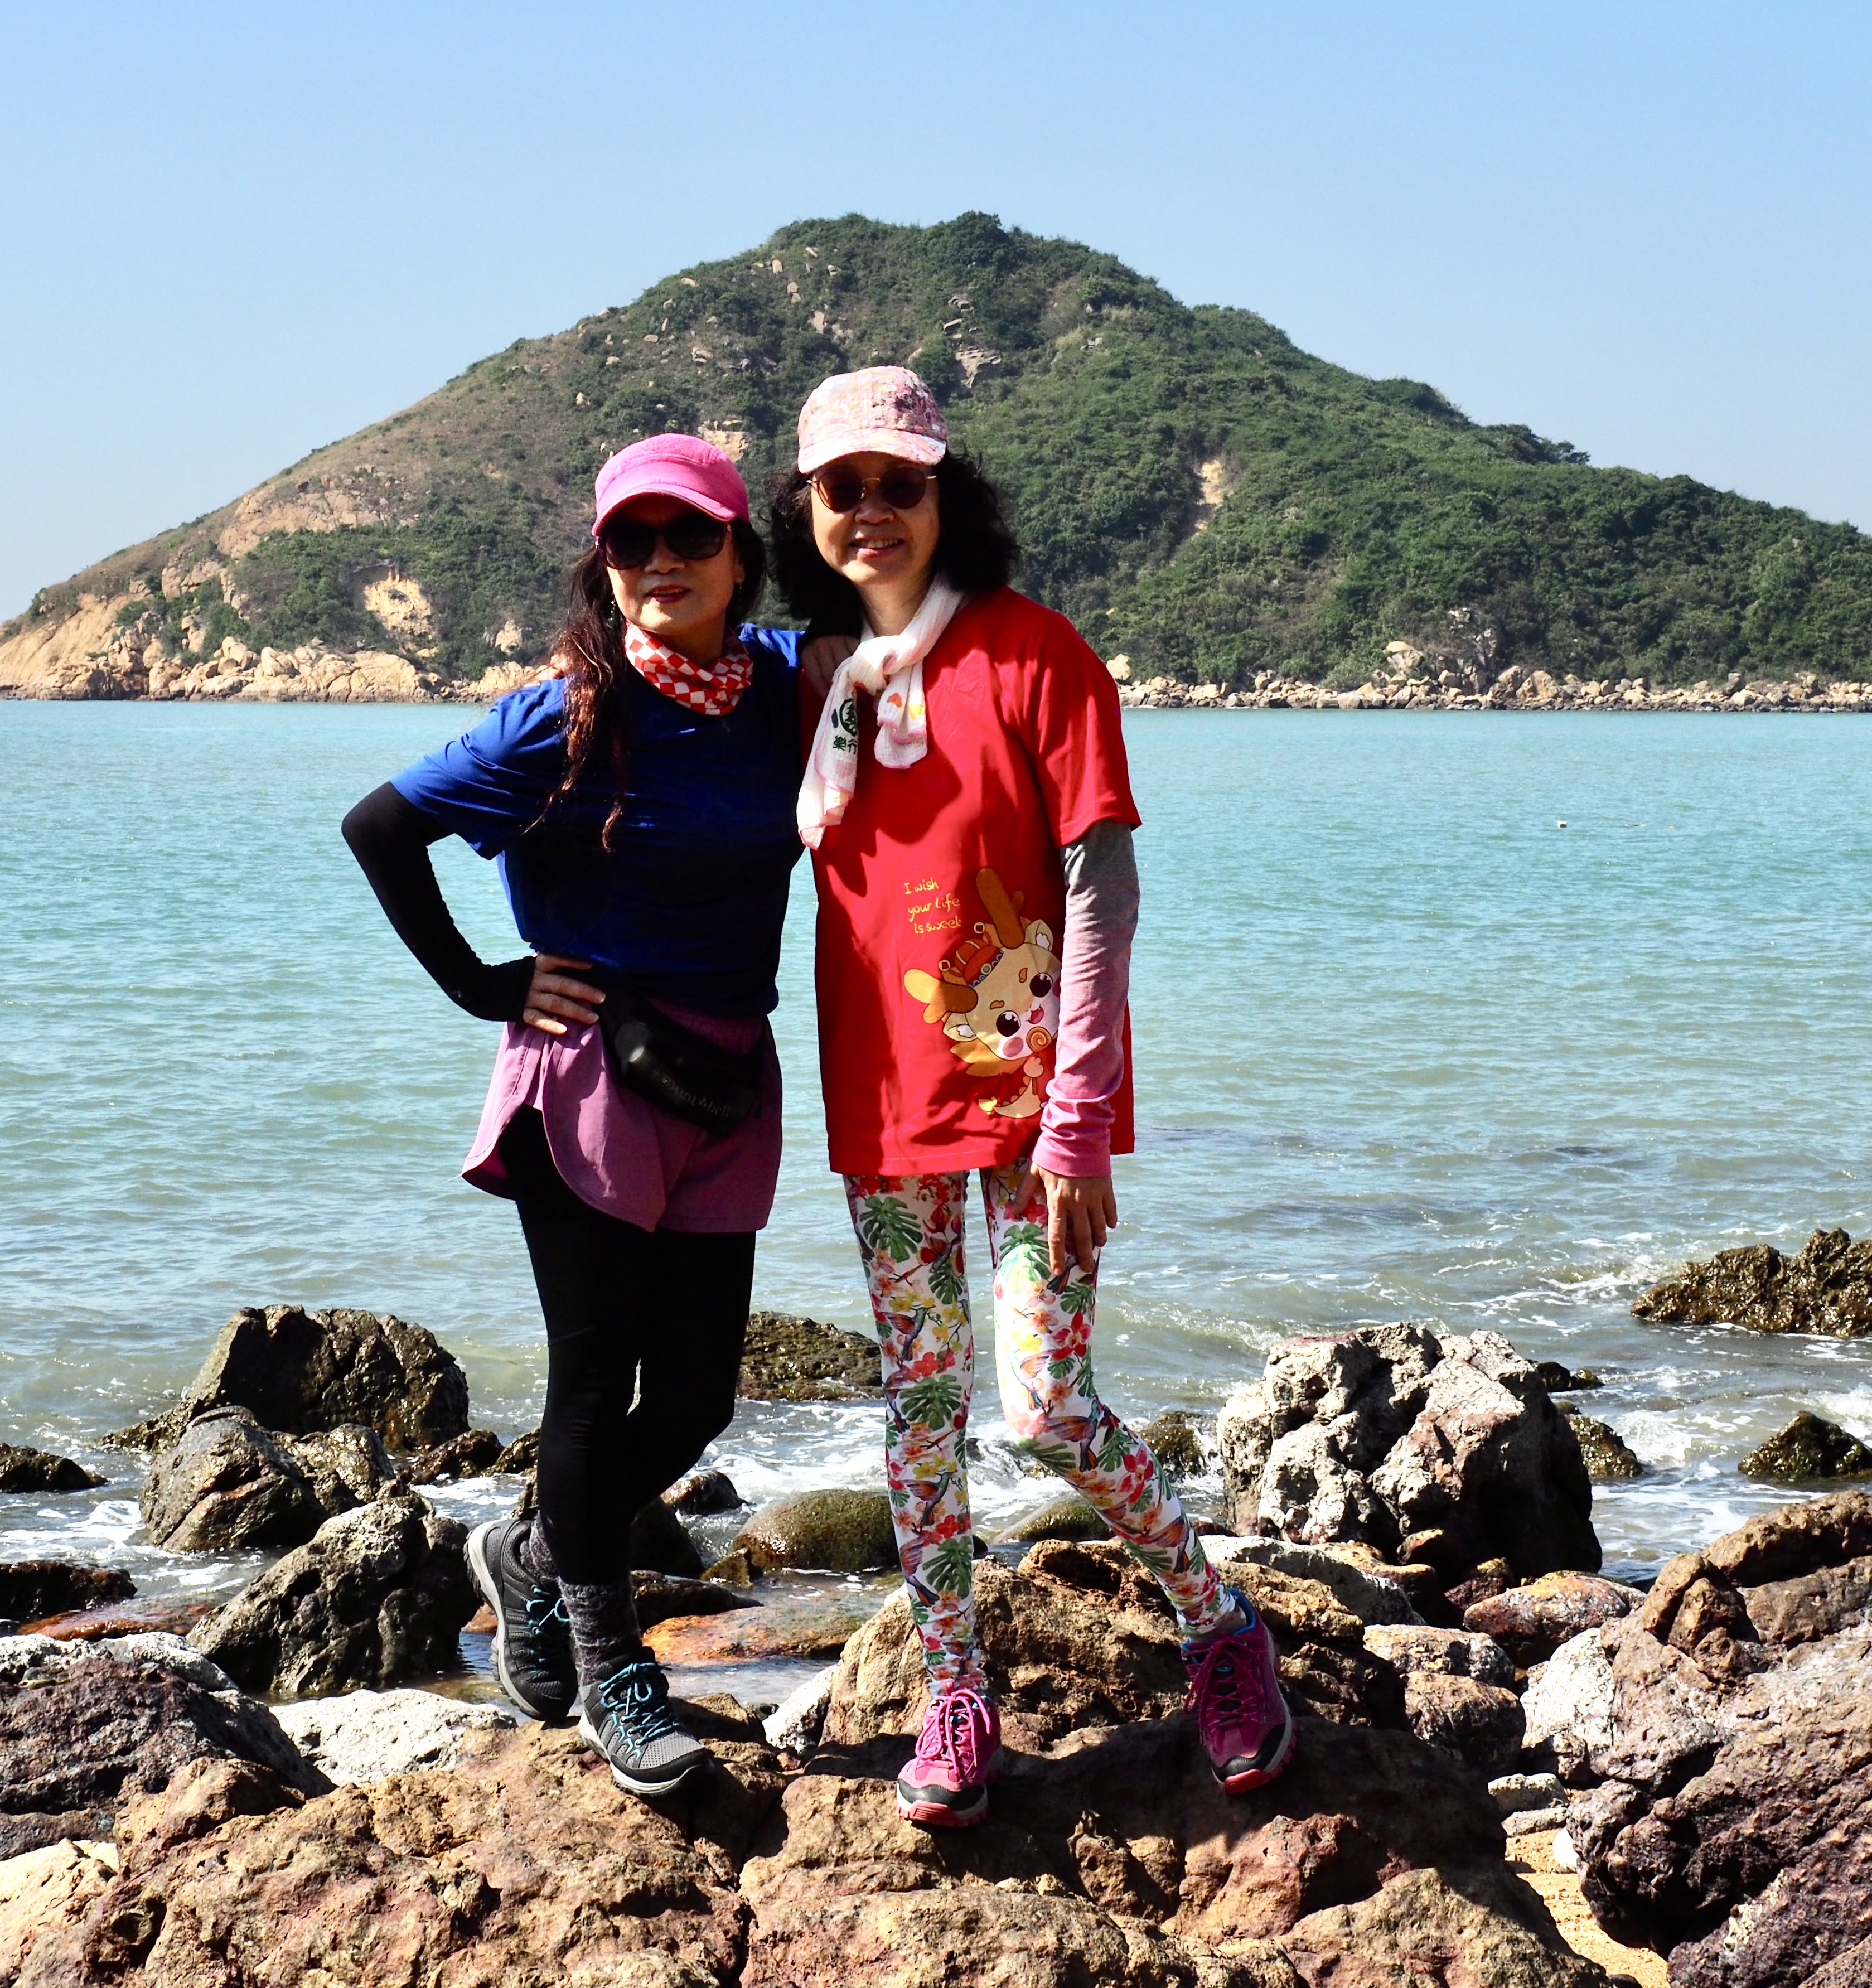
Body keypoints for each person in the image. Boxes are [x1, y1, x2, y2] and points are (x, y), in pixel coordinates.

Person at [773, 367, 1297, 1828]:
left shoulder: (1037, 654)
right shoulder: (810, 682)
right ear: (805, 509)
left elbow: (1102, 888)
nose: (872, 510)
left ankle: (1219, 1624)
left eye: (901, 483)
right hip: (885, 1096)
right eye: (842, 487)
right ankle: (955, 1691)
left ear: (948, 495)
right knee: (919, 1404)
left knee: (1049, 1405)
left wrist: (1078, 1120)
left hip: (1033, 1101)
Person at [340, 434, 804, 1798]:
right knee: (595, 1387)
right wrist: (478, 982)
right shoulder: (557, 717)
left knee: (701, 1398)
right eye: (630, 540)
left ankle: (529, 1552)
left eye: (690, 535)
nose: (661, 561)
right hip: (589, 1069)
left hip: (726, 1073)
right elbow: (379, 825)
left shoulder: (789, 683)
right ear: (602, 563)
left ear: (739, 555)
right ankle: (612, 1671)